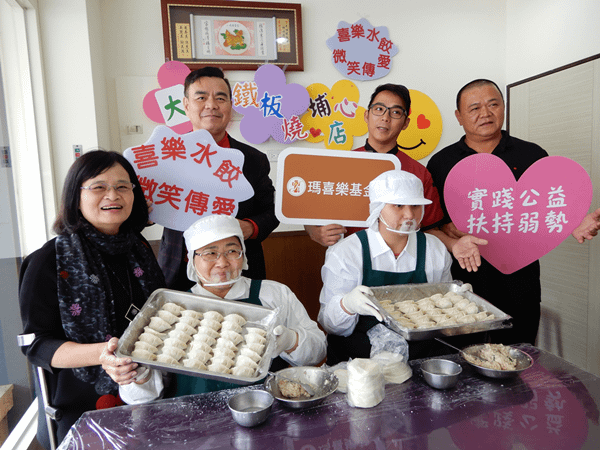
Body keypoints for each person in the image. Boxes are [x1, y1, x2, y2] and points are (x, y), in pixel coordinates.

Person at [19, 150, 166, 448]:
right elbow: (37, 346)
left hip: (150, 390)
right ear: (76, 196)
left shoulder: (138, 248)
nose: (113, 195)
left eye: (123, 186)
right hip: (85, 404)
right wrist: (102, 354)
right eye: (98, 187)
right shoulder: (48, 261)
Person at [168, 214, 327, 395]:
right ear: (192, 259)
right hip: (193, 417)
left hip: (266, 408)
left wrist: (291, 340)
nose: (222, 263)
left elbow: (318, 353)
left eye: (232, 251)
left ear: (242, 254)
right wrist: (140, 378)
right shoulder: (175, 308)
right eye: (210, 253)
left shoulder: (273, 294)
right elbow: (149, 389)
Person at [158, 66, 279, 291]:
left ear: (230, 106)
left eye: (220, 98)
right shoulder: (163, 156)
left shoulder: (253, 159)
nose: (211, 105)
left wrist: (250, 227)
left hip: (238, 271)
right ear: (186, 105)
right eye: (201, 97)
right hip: (178, 270)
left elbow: (273, 211)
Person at [318, 170, 452, 365]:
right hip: (358, 363)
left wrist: (454, 298)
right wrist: (346, 305)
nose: (409, 214)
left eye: (415, 206)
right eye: (398, 205)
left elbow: (441, 315)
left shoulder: (434, 249)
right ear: (378, 209)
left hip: (420, 359)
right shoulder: (347, 252)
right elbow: (331, 325)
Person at [304, 83, 445, 247]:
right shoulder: (340, 164)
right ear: (366, 115)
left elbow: (430, 227)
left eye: (396, 112)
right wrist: (314, 232)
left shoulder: (418, 173)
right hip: (349, 260)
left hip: (404, 263)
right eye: (379, 109)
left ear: (405, 123)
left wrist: (455, 244)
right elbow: (310, 215)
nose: (385, 117)